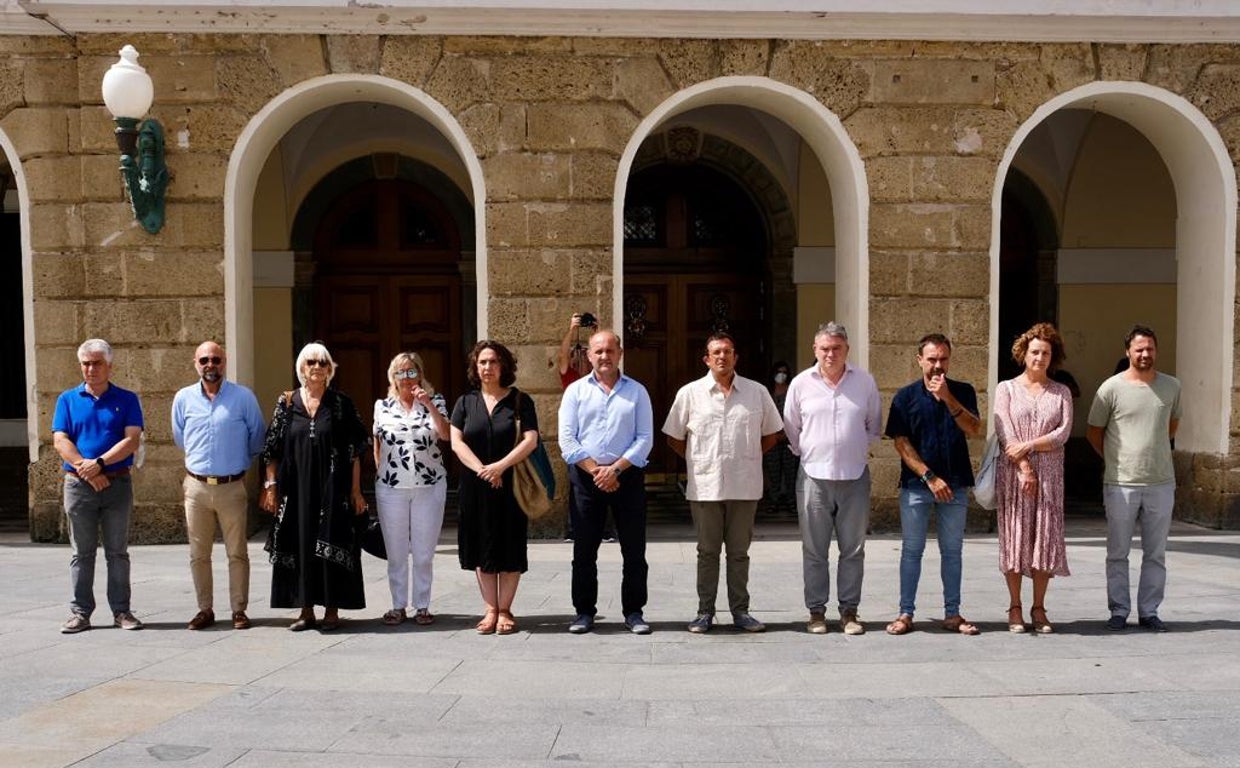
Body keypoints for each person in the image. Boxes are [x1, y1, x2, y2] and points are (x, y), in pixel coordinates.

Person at [662, 332, 783, 633]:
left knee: (739, 553)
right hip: (706, 486)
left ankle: (741, 611)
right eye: (716, 352)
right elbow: (674, 438)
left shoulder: (757, 393)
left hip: (745, 484)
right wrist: (696, 458)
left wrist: (747, 456)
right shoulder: (690, 393)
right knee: (707, 552)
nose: (722, 357)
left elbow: (771, 434)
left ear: (735, 357)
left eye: (728, 351)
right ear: (706, 358)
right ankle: (705, 611)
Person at [260, 342, 369, 631]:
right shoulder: (286, 403)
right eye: (311, 362)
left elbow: (357, 449)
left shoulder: (341, 404)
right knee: (299, 543)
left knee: (332, 540)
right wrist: (271, 487)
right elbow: (272, 448)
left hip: (333, 487)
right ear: (301, 367)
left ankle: (332, 609)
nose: (317, 367)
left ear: (330, 369)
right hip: (295, 489)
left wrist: (356, 491)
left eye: (323, 362)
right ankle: (306, 610)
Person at [783, 322, 881, 635]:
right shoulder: (800, 384)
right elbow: (791, 429)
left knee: (853, 549)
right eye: (824, 348)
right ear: (815, 350)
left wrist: (853, 449)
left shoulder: (864, 382)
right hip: (814, 476)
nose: (830, 354)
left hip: (854, 476)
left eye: (836, 348)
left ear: (846, 350)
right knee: (814, 550)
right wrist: (812, 451)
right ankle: (816, 612)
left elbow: (873, 425)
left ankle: (849, 612)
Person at [884, 333, 983, 636]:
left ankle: (952, 614)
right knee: (912, 551)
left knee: (952, 552)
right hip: (917, 485)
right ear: (919, 360)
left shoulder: (963, 392)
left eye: (943, 359)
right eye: (932, 359)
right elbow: (901, 443)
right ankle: (905, 613)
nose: (938, 365)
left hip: (956, 484)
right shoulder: (905, 397)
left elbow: (974, 429)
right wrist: (929, 477)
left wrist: (948, 398)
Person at [558, 329, 655, 634]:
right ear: (588, 355)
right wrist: (597, 471)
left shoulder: (637, 392)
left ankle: (634, 611)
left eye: (610, 351)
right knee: (584, 551)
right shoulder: (575, 391)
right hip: (586, 480)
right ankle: (584, 612)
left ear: (620, 354)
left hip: (627, 477)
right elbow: (567, 439)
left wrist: (615, 469)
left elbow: (645, 438)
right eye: (598, 351)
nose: (604, 357)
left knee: (634, 550)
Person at [1087, 325, 1181, 632]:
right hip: (1121, 483)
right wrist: (1116, 460)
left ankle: (1149, 611)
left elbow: (1171, 427)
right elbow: (1094, 432)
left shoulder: (1172, 387)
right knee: (1118, 552)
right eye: (1139, 349)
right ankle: (1119, 610)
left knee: (1156, 553)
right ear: (1128, 351)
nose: (1145, 354)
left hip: (1160, 482)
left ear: (1156, 350)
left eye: (1150, 349)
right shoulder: (1110, 388)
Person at [171, 340, 266, 631]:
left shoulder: (243, 398)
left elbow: (257, 437)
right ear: (195, 363)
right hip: (196, 487)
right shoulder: (183, 398)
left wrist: (235, 461)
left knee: (237, 551)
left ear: (224, 363)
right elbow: (180, 438)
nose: (210, 365)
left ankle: (239, 609)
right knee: (198, 553)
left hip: (231, 486)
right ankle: (205, 609)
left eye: (216, 359)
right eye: (204, 360)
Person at [53, 338, 145, 633]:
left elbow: (131, 439)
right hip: (79, 486)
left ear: (109, 365)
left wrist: (101, 464)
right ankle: (80, 613)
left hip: (116, 484)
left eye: (97, 363)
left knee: (117, 551)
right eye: (86, 363)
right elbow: (60, 440)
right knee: (82, 552)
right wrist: (87, 468)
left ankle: (122, 611)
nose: (91, 369)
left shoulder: (127, 399)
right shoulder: (67, 400)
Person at [450, 341, 539, 635]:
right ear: (476, 368)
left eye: (493, 362)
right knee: (480, 546)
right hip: (476, 486)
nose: (487, 367)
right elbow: (456, 442)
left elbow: (530, 440)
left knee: (509, 544)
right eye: (482, 362)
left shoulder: (519, 401)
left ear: (504, 366)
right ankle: (490, 609)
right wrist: (483, 470)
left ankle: (505, 610)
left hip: (510, 484)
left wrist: (499, 467)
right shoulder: (465, 403)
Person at [992, 323, 1073, 634]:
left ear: (1054, 357)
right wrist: (1025, 464)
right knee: (1015, 537)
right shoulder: (1006, 388)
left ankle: (1038, 608)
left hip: (1050, 475)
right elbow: (1005, 431)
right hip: (1014, 474)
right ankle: (1015, 606)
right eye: (1035, 351)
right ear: (1024, 354)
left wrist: (1029, 445)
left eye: (1046, 353)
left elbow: (1063, 433)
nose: (1040, 357)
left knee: (1045, 538)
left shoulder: (1061, 391)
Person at [373, 352, 450, 626]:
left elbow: (446, 434)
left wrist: (427, 403)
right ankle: (397, 605)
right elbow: (377, 444)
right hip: (391, 487)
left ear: (420, 373)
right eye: (400, 373)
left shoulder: (436, 400)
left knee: (423, 551)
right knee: (395, 551)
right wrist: (382, 473)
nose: (405, 378)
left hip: (429, 485)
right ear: (392, 377)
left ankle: (422, 605)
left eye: (411, 372)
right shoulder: (382, 406)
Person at [557, 312, 614, 542]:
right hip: (579, 442)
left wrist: (596, 333)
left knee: (609, 484)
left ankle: (607, 530)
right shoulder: (572, 380)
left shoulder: (610, 377)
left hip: (605, 440)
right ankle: (574, 528)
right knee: (576, 486)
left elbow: (606, 350)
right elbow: (562, 358)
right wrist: (572, 331)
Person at [762, 360, 799, 514]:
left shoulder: (792, 391)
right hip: (772, 438)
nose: (781, 375)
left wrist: (786, 432)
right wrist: (773, 434)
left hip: (789, 437)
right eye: (779, 372)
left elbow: (796, 414)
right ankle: (774, 501)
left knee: (791, 472)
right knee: (774, 471)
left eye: (784, 372)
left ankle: (792, 502)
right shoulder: (766, 392)